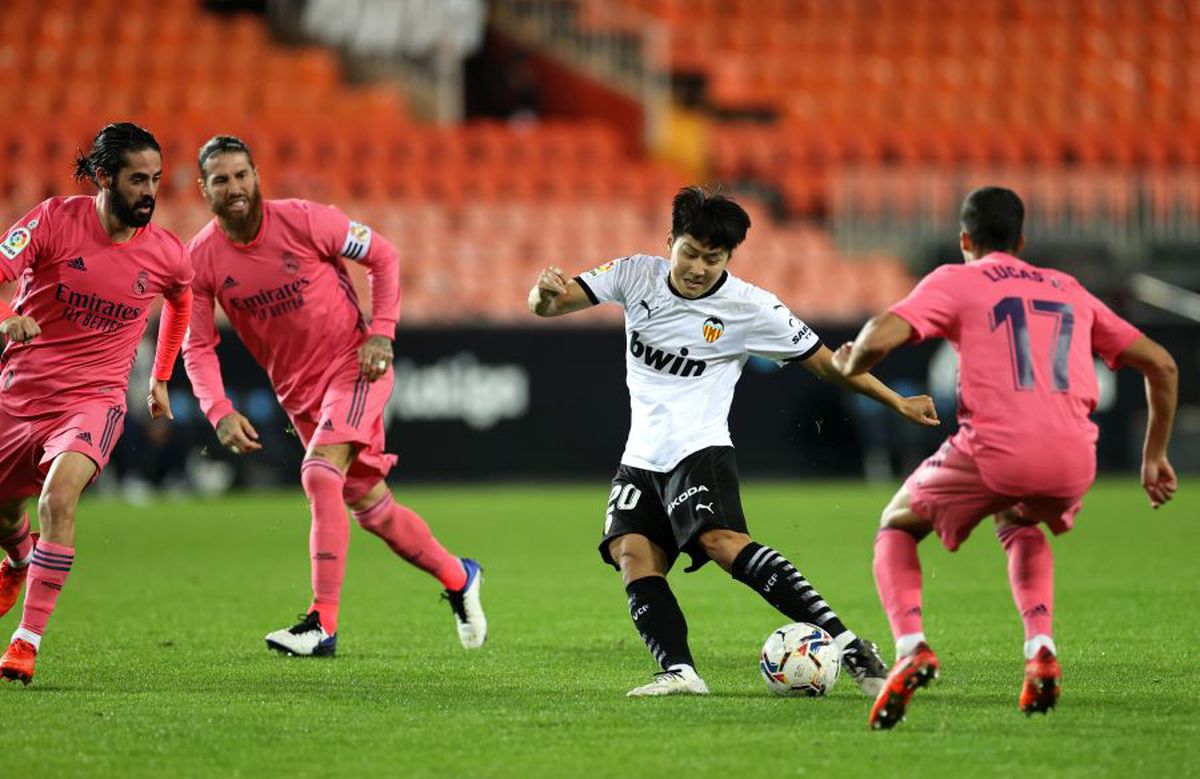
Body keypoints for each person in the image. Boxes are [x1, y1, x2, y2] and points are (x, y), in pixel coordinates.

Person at [527, 186, 940, 697]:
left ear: (728, 258)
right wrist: (544, 294)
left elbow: (827, 363)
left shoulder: (749, 307)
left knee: (721, 544)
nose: (698, 268)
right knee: (631, 553)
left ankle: (850, 646)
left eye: (713, 258)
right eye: (690, 253)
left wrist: (897, 402)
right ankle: (680, 672)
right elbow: (551, 304)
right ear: (670, 242)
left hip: (699, 447)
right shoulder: (635, 274)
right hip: (641, 456)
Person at [830, 186, 1179, 729]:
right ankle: (1040, 648)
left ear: (964, 239)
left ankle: (911, 647)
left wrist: (852, 363)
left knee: (896, 525)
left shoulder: (957, 279)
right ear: (1021, 241)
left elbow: (882, 333)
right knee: (1018, 520)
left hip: (997, 448)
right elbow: (1162, 364)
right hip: (1073, 458)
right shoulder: (1069, 288)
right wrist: (1154, 456)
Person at [182, 136, 485, 657]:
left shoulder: (305, 219)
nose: (234, 187)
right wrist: (219, 411)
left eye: (241, 175)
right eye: (221, 179)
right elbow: (198, 345)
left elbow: (384, 256)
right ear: (203, 189)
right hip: (299, 395)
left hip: (356, 366)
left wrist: (382, 332)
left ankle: (321, 623)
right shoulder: (201, 258)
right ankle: (460, 576)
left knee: (319, 473)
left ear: (257, 175)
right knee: (373, 510)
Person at [0, 122, 194, 684]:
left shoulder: (166, 253)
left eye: (156, 179)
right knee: (5, 513)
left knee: (58, 500)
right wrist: (7, 319)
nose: (150, 192)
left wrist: (161, 376)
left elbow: (181, 299)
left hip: (94, 398)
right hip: (21, 391)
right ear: (105, 177)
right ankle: (19, 559)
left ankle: (26, 642)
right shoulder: (52, 220)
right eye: (138, 179)